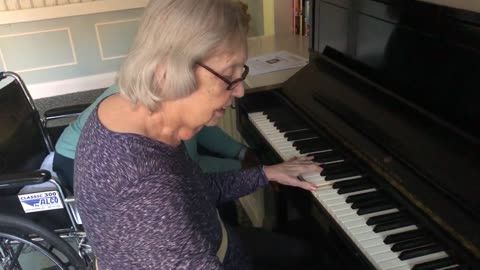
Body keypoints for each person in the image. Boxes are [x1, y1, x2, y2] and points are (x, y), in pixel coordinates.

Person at [74, 0, 322, 269]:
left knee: (301, 251)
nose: (239, 91)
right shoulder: (144, 191)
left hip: (220, 242)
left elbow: (193, 190)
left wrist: (266, 173)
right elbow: (162, 206)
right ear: (171, 69)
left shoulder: (127, 113)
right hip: (221, 256)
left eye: (241, 73)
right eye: (229, 75)